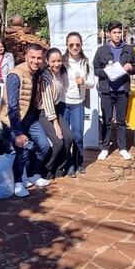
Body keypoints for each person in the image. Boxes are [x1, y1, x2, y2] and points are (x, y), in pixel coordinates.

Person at [0, 43, 52, 197]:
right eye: (32, 58)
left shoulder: (38, 72)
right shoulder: (15, 75)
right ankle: (17, 182)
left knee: (44, 145)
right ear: (26, 57)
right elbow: (12, 106)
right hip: (13, 119)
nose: (36, 61)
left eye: (39, 58)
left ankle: (32, 174)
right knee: (22, 149)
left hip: (29, 117)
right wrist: (17, 133)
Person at [93, 21, 135, 161]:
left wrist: (131, 67)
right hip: (107, 90)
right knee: (106, 120)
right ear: (108, 34)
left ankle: (123, 148)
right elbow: (96, 70)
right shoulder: (102, 50)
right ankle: (105, 147)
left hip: (122, 91)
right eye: (114, 32)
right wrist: (108, 72)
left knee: (121, 121)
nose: (117, 35)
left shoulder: (128, 49)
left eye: (119, 32)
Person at [60, 32, 96, 177]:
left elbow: (92, 83)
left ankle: (79, 162)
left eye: (77, 44)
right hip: (63, 103)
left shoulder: (86, 62)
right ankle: (68, 165)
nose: (74, 47)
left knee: (78, 135)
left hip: (78, 103)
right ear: (67, 45)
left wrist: (84, 82)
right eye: (71, 45)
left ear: (81, 45)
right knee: (65, 137)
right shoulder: (62, 61)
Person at [38, 48, 75, 179]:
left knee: (69, 137)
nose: (56, 64)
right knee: (58, 141)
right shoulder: (46, 76)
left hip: (55, 109)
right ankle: (46, 169)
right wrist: (56, 124)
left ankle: (59, 168)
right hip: (44, 112)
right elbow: (47, 100)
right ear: (47, 61)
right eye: (53, 61)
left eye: (59, 60)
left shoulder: (60, 73)